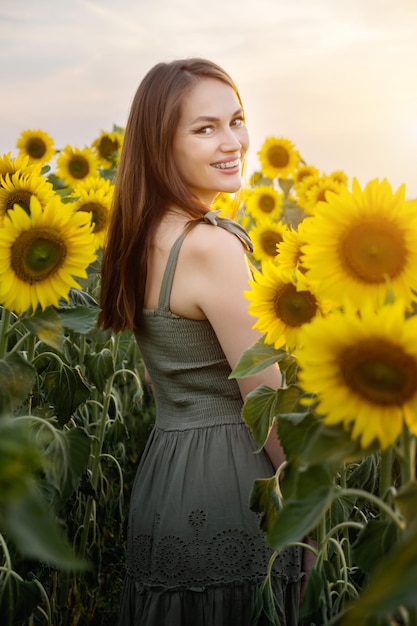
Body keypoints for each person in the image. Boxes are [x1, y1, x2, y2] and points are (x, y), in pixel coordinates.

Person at [99, 57, 302, 626]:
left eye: (236, 120)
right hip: (233, 477)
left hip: (166, 475)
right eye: (204, 128)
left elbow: (169, 370)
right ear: (161, 144)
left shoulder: (141, 236)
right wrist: (308, 515)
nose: (232, 141)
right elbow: (266, 405)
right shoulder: (209, 247)